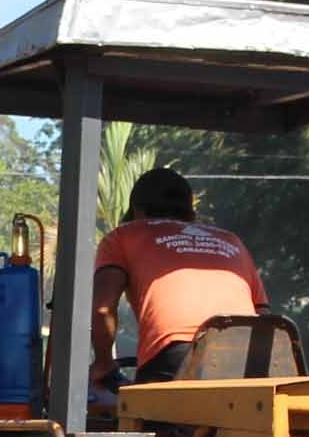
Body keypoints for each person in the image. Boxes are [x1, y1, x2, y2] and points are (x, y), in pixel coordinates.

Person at [90, 166, 266, 394]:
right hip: (250, 360)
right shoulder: (231, 241)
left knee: (149, 419)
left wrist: (103, 364)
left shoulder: (123, 236)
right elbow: (263, 316)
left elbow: (103, 309)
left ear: (137, 210)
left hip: (177, 359)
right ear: (191, 213)